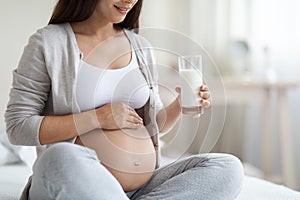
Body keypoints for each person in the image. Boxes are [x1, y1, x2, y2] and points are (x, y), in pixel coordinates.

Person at [5, 0, 244, 199]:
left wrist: (178, 107)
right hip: (77, 181)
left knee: (227, 167)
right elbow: (18, 128)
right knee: (60, 157)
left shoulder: (140, 46)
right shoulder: (49, 42)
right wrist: (98, 117)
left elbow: (153, 128)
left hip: (142, 189)